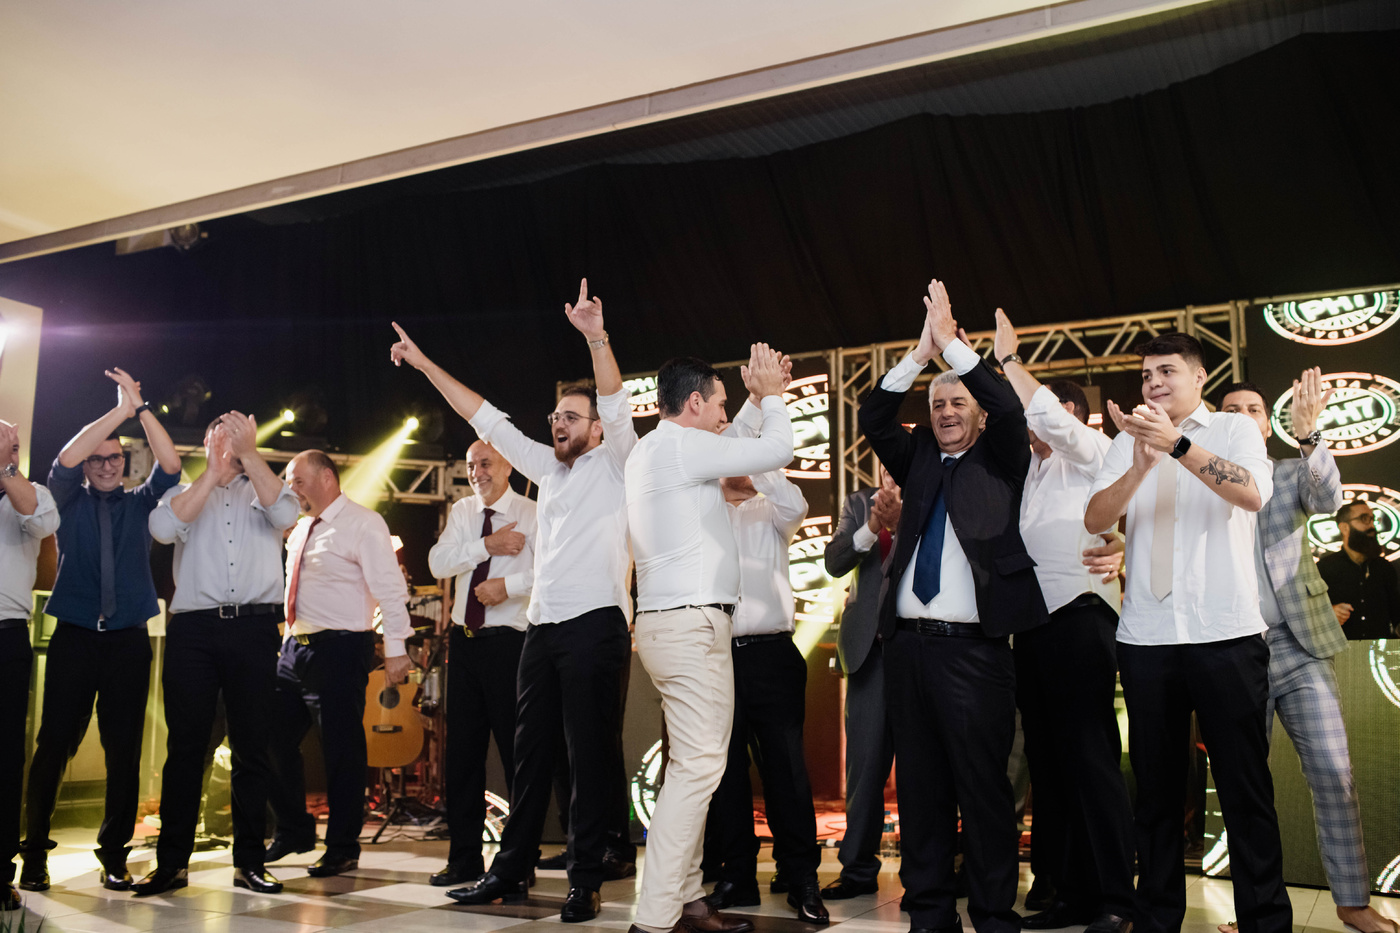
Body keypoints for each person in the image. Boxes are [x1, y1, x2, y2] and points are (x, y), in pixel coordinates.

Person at [391, 279, 635, 922]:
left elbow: (613, 400)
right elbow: (484, 415)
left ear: (596, 429)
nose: (558, 423)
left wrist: (595, 338)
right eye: (555, 416)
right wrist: (424, 364)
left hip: (596, 624)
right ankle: (510, 869)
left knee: (587, 756)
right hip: (543, 629)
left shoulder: (618, 460)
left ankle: (586, 878)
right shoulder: (545, 468)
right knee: (529, 759)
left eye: (570, 417)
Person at [859, 280, 1048, 933]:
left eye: (957, 401)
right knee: (919, 789)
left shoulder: (1003, 455)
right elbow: (873, 416)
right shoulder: (915, 457)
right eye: (936, 402)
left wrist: (957, 350)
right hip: (908, 647)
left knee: (984, 790)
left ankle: (994, 915)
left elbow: (1007, 402)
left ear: (977, 412)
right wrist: (920, 354)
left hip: (975, 653)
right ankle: (930, 915)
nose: (945, 410)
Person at [1086, 333, 1289, 933]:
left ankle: (1265, 922)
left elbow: (1251, 493)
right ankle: (1156, 919)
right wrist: (1138, 464)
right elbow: (1096, 517)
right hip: (1146, 638)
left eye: (1166, 371)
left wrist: (1175, 445)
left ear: (1200, 377)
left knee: (1244, 789)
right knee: (1154, 794)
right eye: (1146, 374)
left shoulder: (1233, 429)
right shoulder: (1128, 440)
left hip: (1225, 634)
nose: (1153, 383)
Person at [1217, 374, 1397, 933]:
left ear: (1266, 423)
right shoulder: (1199, 480)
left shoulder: (1289, 472)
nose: (1244, 415)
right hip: (1232, 650)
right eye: (1231, 409)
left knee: (1334, 773)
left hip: (1298, 644)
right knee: (1246, 788)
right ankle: (1255, 912)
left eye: (1253, 408)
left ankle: (1352, 903)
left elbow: (1328, 498)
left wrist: (1309, 434)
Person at [625, 346, 794, 933]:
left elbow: (729, 440)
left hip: (668, 624)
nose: (725, 415)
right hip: (692, 626)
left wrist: (753, 401)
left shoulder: (654, 448)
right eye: (720, 404)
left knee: (687, 768)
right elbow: (777, 449)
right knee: (698, 768)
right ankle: (655, 918)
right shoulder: (684, 447)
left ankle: (688, 896)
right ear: (694, 402)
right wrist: (772, 398)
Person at [993, 309, 1133, 933]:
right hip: (1035, 627)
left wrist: (1009, 361)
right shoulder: (1033, 473)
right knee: (1049, 764)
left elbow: (1049, 417)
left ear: (1070, 413)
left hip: (1081, 617)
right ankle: (1071, 893)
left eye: (1041, 414)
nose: (1031, 424)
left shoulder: (1093, 452)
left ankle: (1117, 898)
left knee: (1090, 756)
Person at [21, 369, 181, 893]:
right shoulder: (66, 498)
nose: (108, 465)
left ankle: (114, 856)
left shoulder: (141, 503)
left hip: (129, 641)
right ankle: (34, 855)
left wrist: (141, 408)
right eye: (99, 459)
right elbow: (64, 460)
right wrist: (118, 411)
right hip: (75, 637)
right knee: (53, 746)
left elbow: (172, 465)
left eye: (116, 458)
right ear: (89, 466)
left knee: (124, 753)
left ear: (125, 463)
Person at [131, 413, 299, 896]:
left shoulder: (264, 489)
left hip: (253, 627)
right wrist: (211, 474)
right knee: (186, 747)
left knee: (251, 748)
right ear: (205, 443)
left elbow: (287, 516)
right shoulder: (184, 492)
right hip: (194, 631)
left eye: (237, 436)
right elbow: (163, 528)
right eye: (219, 436)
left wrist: (250, 455)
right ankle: (172, 864)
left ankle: (249, 862)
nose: (228, 443)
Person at [700, 392, 828, 924]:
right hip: (715, 654)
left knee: (786, 771)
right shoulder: (702, 506)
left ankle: (800, 877)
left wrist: (760, 461)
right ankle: (736, 876)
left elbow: (798, 506)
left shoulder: (774, 506)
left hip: (772, 654)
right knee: (725, 773)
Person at [265, 449, 413, 878]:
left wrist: (397, 648)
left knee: (341, 752)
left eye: (298, 480)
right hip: (294, 648)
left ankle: (343, 847)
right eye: (289, 482)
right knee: (268, 737)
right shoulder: (301, 528)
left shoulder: (364, 523)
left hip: (341, 648)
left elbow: (390, 588)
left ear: (327, 478)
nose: (292, 489)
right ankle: (293, 830)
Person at [426, 440, 537, 886]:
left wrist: (507, 587)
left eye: (485, 463)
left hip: (510, 644)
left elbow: (551, 572)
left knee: (516, 756)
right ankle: (464, 858)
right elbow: (437, 563)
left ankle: (519, 863)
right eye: (471, 465)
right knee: (462, 757)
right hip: (465, 643)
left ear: (508, 464)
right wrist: (487, 545)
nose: (477, 473)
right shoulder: (462, 512)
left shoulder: (532, 512)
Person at [820, 464, 899, 901]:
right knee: (864, 769)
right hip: (869, 651)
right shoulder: (857, 503)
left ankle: (926, 873)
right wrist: (872, 525)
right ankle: (857, 870)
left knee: (924, 771)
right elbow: (835, 562)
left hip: (918, 649)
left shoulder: (933, 495)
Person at [0, 420, 60, 909]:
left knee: (4, 757)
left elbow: (42, 524)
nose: (10, 451)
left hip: (6, 634)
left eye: (13, 446)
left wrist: (5, 468)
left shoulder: (33, 494)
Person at [1318, 500, 1400, 641]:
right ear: (1344, 528)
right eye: (1364, 519)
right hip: (1339, 650)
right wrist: (1327, 614)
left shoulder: (1384, 567)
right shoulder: (1324, 568)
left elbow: (1396, 613)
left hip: (1379, 651)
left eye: (1372, 519)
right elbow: (1306, 614)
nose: (1371, 526)